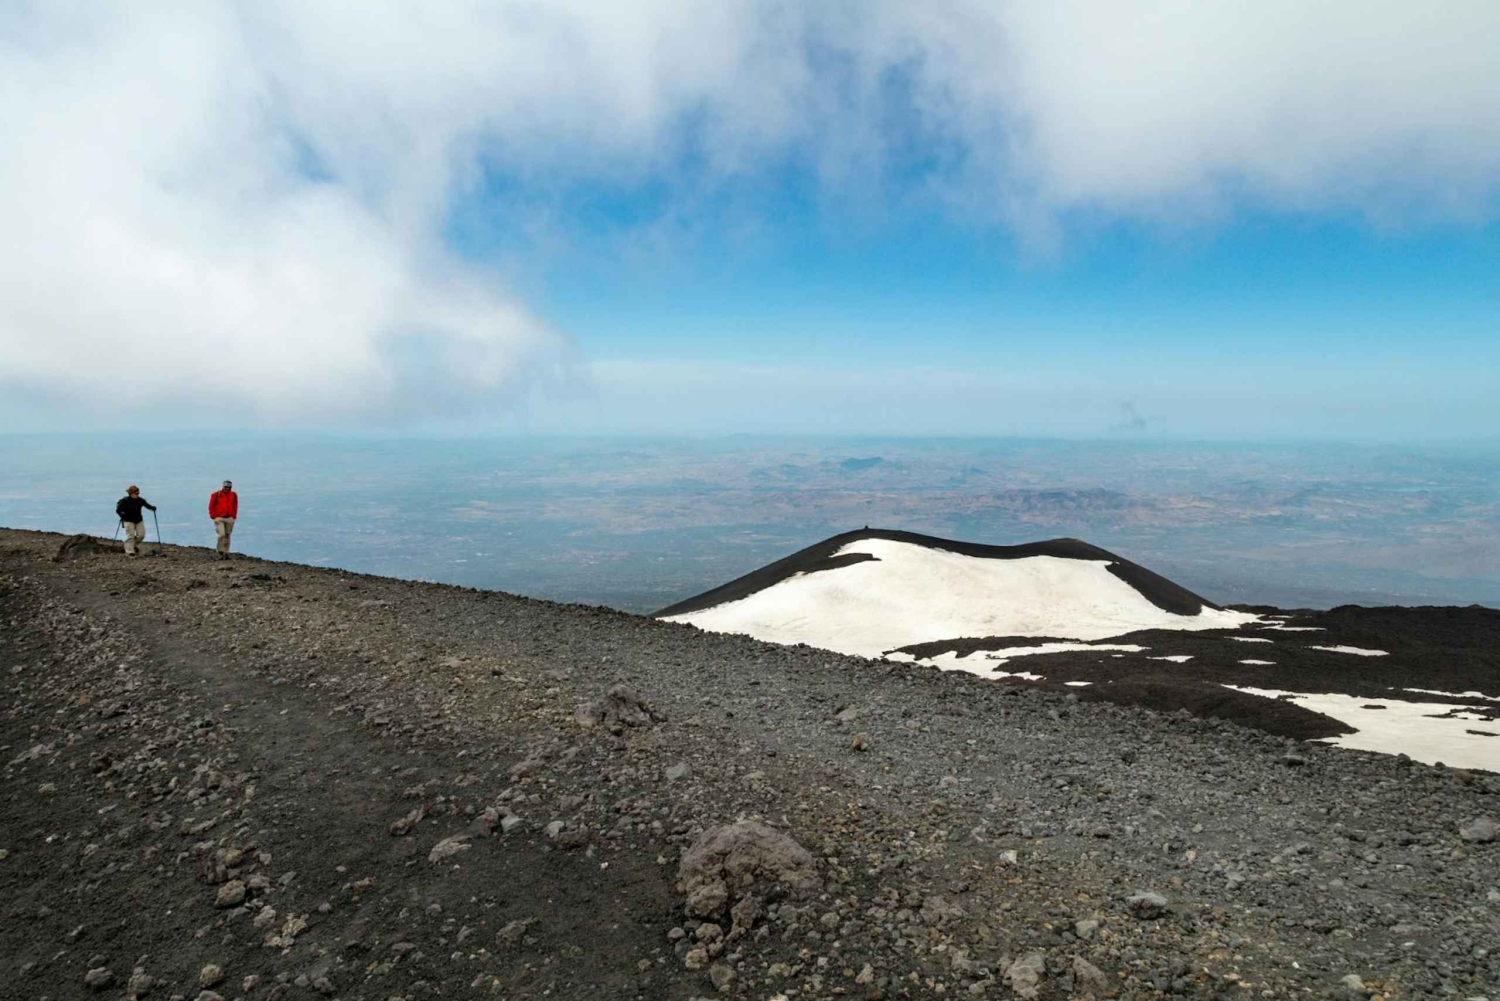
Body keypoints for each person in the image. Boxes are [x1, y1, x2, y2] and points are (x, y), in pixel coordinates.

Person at [115, 485, 156, 557]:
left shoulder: (140, 500)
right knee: (130, 536)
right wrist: (123, 516)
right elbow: (118, 510)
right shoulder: (125, 501)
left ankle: (132, 545)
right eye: (136, 493)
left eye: (138, 493)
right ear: (131, 493)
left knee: (141, 535)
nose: (138, 494)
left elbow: (147, 505)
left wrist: (153, 508)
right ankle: (130, 552)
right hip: (128, 521)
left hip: (139, 520)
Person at [208, 479, 238, 559]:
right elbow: (211, 506)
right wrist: (214, 516)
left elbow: (235, 505)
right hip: (219, 518)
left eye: (229, 487)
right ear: (223, 486)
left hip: (229, 518)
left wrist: (234, 516)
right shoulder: (216, 494)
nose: (227, 488)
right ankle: (220, 550)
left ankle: (226, 552)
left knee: (227, 535)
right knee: (222, 534)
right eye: (226, 487)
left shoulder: (233, 495)